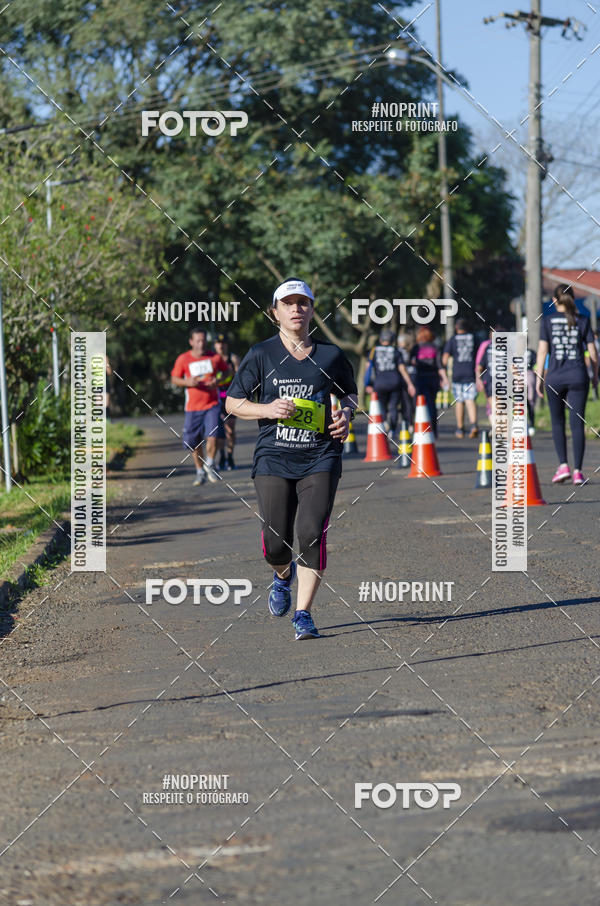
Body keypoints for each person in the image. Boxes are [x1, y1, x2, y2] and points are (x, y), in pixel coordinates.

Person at [225, 277, 358, 640]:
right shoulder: (261, 354)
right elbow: (233, 403)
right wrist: (267, 408)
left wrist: (345, 416)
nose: (296, 309)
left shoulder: (331, 355)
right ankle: (282, 576)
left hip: (321, 456)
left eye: (303, 303)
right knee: (276, 540)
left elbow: (350, 396)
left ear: (312, 310)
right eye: (289, 303)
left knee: (311, 533)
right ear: (275, 312)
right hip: (274, 457)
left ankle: (303, 614)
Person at [535, 284, 598, 485]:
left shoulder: (547, 321)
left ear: (555, 300)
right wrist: (595, 376)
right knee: (577, 423)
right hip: (579, 376)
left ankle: (563, 466)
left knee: (557, 422)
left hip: (554, 378)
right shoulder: (584, 320)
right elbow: (593, 353)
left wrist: (539, 378)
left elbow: (542, 352)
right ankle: (578, 472)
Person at [171, 326, 231, 485]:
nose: (201, 343)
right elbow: (175, 379)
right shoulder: (183, 359)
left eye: (204, 340)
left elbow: (227, 372)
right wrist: (187, 382)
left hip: (212, 404)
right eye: (198, 340)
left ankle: (210, 464)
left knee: (213, 436)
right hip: (192, 407)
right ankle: (199, 471)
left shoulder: (214, 358)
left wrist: (217, 381)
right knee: (193, 442)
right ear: (191, 342)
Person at [365, 329, 415, 440]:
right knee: (393, 407)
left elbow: (368, 367)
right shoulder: (396, 351)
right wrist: (410, 384)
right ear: (392, 340)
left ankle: (383, 427)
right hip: (394, 382)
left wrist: (367, 383)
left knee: (382, 407)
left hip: (379, 383)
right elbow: (402, 368)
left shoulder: (374, 351)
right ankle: (392, 429)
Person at [443, 319, 479, 438]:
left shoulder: (452, 340)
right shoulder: (473, 338)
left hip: (457, 373)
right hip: (470, 372)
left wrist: (443, 373)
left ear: (456, 328)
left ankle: (460, 428)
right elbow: (479, 355)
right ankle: (474, 425)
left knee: (459, 401)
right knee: (470, 400)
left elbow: (445, 357)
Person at [410, 327, 448, 437]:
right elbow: (439, 366)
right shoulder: (435, 348)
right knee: (432, 405)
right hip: (433, 379)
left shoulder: (416, 348)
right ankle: (433, 430)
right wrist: (445, 379)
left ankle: (419, 428)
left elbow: (411, 362)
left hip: (420, 378)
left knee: (419, 404)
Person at [213, 333, 240, 471]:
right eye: (218, 343)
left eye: (223, 343)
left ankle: (229, 456)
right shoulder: (211, 359)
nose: (221, 346)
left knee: (230, 430)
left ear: (227, 345)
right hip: (215, 399)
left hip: (229, 398)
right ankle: (222, 456)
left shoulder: (233, 359)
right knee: (218, 431)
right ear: (215, 345)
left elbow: (240, 378)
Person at [397, 333, 416, 427]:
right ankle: (411, 421)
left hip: (404, 377)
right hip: (414, 376)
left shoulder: (399, 351)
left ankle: (407, 421)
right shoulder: (415, 349)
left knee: (405, 401)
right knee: (412, 401)